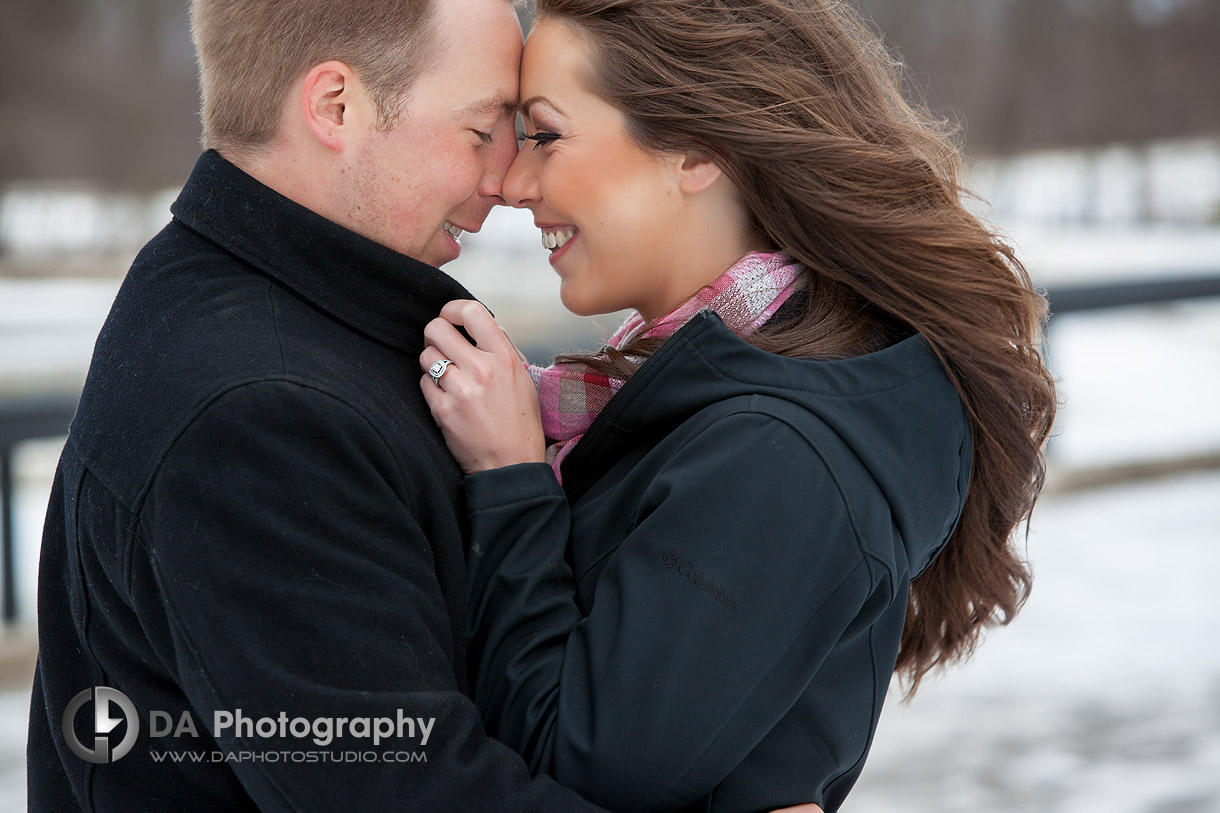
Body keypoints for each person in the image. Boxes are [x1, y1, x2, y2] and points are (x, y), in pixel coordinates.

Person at [418, 0, 1058, 811]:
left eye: (544, 134)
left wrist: (510, 479)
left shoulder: (780, 456)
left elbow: (572, 765)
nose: (512, 182)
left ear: (696, 150)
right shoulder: (688, 392)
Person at [25, 0, 603, 808]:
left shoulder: (267, 310)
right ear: (336, 105)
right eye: (482, 129)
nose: (507, 178)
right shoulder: (256, 416)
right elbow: (419, 789)